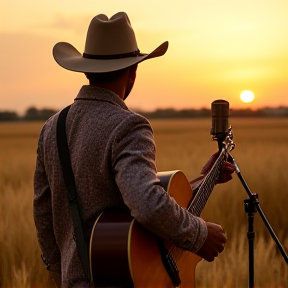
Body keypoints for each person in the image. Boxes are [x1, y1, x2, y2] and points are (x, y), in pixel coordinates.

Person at [33, 12, 235, 288]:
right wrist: (199, 235)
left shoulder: (51, 129)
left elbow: (44, 217)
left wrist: (203, 178)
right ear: (133, 72)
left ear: (86, 69)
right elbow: (147, 206)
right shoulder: (129, 126)